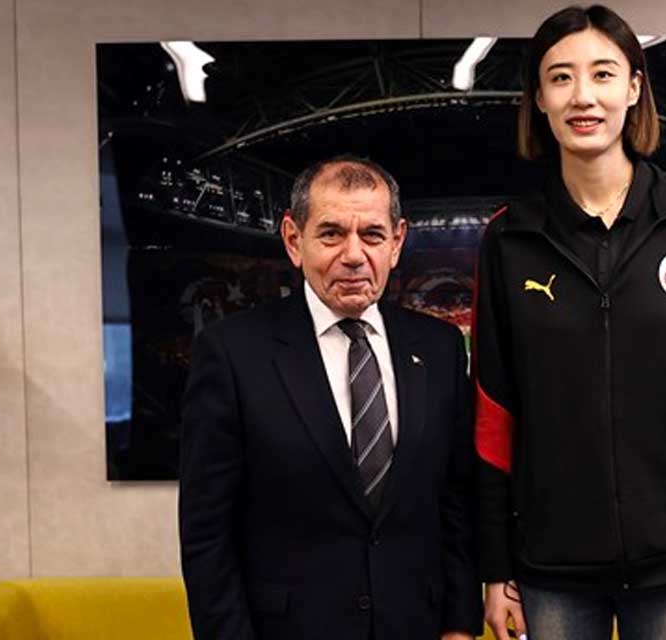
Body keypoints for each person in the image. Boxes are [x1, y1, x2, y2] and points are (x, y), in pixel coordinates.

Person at [472, 6, 666, 640]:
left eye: (603, 74)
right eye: (561, 78)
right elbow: (494, 413)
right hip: (550, 568)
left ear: (633, 88)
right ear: (539, 99)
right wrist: (494, 568)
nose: (583, 96)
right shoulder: (508, 239)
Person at [179, 156, 481, 640]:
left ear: (397, 242)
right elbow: (206, 532)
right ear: (293, 240)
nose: (354, 255)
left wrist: (460, 624)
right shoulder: (232, 352)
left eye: (373, 235)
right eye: (332, 234)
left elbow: (456, 501)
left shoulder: (440, 348)